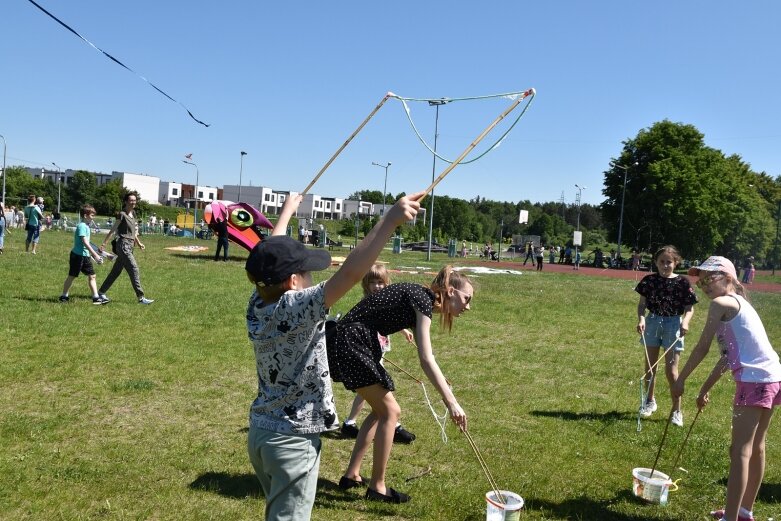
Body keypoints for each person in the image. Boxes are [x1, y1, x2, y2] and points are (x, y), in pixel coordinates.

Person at [245, 190, 423, 520]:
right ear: (295, 282)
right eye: (308, 273)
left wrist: (286, 213)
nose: (313, 278)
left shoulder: (258, 304)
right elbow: (352, 272)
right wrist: (388, 222)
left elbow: (268, 257)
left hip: (261, 434)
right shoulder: (298, 307)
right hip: (292, 441)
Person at [331, 265, 470, 504]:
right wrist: (452, 403)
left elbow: (428, 359)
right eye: (466, 298)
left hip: (350, 341)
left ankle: (351, 475)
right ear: (450, 291)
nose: (468, 306)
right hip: (352, 342)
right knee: (391, 412)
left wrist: (443, 383)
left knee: (379, 411)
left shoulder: (420, 299)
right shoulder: (422, 300)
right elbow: (426, 359)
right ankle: (377, 487)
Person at [672, 256, 781, 521]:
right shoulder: (740, 304)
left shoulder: (721, 304)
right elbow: (726, 357)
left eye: (711, 278)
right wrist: (703, 389)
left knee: (740, 451)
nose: (705, 284)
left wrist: (681, 379)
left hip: (754, 381)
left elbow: (702, 348)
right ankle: (744, 511)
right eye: (701, 281)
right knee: (756, 448)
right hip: (774, 377)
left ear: (729, 278)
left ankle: (731, 518)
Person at [341, 264, 416, 444]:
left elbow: (388, 319)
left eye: (380, 282)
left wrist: (403, 330)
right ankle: (392, 424)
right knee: (377, 388)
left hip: (377, 349)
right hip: (367, 351)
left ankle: (350, 423)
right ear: (366, 284)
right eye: (373, 282)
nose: (377, 286)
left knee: (369, 391)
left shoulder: (385, 299)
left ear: (386, 283)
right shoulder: (369, 302)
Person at [636, 245, 698, 426]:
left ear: (676, 263)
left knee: (671, 371)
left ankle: (677, 410)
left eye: (668, 262)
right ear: (655, 262)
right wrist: (641, 319)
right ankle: (649, 401)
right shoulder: (648, 281)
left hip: (673, 324)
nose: (665, 265)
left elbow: (689, 308)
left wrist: (685, 322)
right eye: (661, 262)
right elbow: (642, 305)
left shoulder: (683, 283)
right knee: (650, 368)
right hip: (653, 322)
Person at [97, 192, 154, 305]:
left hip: (130, 245)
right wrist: (104, 243)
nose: (133, 202)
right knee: (134, 269)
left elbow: (134, 233)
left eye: (134, 200)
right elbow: (113, 229)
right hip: (123, 245)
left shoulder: (134, 214)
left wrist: (139, 243)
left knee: (116, 272)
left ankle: (101, 292)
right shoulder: (122, 215)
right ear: (126, 202)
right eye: (131, 200)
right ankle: (141, 298)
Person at [59, 205, 105, 304]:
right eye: (92, 215)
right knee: (72, 276)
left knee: (92, 276)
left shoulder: (86, 226)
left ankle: (96, 298)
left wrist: (93, 255)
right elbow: (85, 242)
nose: (93, 217)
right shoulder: (82, 226)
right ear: (85, 215)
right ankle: (64, 296)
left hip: (85, 256)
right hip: (77, 256)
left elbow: (87, 244)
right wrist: (95, 255)